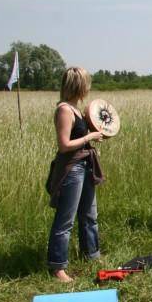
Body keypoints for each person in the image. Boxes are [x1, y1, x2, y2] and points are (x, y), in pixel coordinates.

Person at [46, 66, 105, 282]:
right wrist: (89, 138)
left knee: (89, 215)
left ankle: (91, 254)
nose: (88, 87)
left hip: (85, 165)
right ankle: (58, 267)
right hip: (72, 169)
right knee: (66, 220)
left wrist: (93, 136)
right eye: (86, 83)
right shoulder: (64, 110)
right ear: (79, 85)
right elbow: (64, 145)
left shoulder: (76, 109)